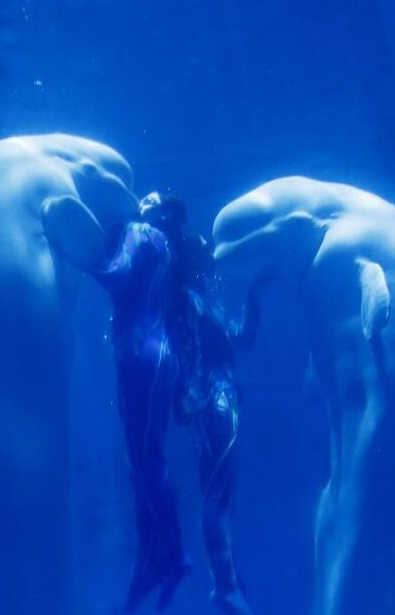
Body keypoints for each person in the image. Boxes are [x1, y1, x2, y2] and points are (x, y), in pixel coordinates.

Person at [92, 192, 192, 613]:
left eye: (151, 198)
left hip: (139, 356)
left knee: (146, 460)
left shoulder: (140, 232)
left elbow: (117, 274)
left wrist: (85, 257)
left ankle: (173, 553)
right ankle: (151, 561)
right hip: (162, 356)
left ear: (164, 213)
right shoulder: (168, 247)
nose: (142, 197)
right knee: (145, 461)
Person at [177, 236, 265, 615]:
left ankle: (229, 579)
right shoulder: (184, 297)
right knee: (216, 493)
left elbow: (241, 338)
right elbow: (186, 351)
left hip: (219, 398)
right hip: (212, 400)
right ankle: (225, 584)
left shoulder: (201, 299)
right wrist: (192, 396)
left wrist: (254, 295)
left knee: (223, 495)